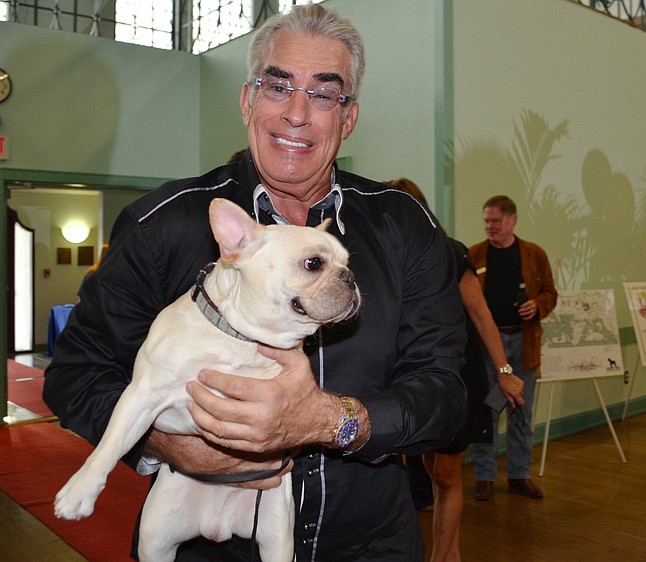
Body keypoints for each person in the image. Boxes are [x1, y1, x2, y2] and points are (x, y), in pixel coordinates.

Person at [43, 6, 467, 562]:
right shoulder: (164, 224)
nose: (296, 114)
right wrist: (170, 442)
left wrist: (330, 419)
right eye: (278, 86)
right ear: (247, 100)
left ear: (349, 118)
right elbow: (75, 373)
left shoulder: (405, 226)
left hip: (371, 544)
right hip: (205, 546)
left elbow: (446, 396)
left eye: (324, 94)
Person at [386, 178, 524, 562]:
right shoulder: (387, 257)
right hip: (412, 379)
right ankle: (453, 555)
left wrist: (504, 370)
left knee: (446, 476)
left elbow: (481, 315)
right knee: (431, 472)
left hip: (455, 378)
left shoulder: (450, 252)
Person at [470, 195, 557, 501]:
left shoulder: (534, 254)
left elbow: (550, 293)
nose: (490, 226)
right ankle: (485, 477)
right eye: (486, 221)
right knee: (488, 412)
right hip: (486, 348)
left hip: (523, 344)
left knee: (521, 411)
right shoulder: (474, 255)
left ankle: (519, 475)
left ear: (512, 219)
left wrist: (538, 305)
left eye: (495, 221)